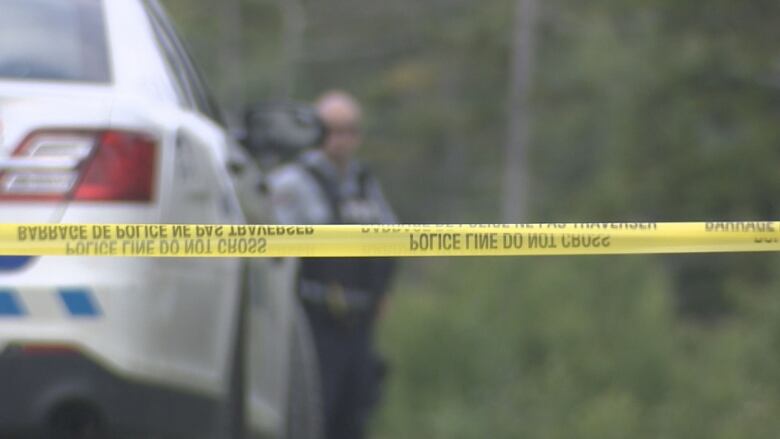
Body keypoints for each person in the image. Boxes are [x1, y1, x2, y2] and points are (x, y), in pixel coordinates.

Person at [269, 90, 397, 439]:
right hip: (312, 319)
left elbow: (391, 240)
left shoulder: (365, 185)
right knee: (312, 415)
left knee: (354, 415)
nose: (342, 139)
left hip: (358, 324)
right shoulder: (292, 183)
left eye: (350, 130)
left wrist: (383, 292)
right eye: (332, 129)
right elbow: (272, 250)